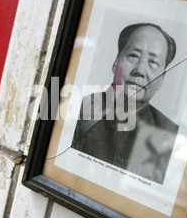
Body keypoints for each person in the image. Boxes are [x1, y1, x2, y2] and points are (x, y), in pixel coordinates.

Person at [71, 23, 179, 184]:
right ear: (115, 62)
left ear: (162, 79)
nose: (140, 70)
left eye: (153, 62)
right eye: (133, 56)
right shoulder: (76, 111)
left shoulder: (170, 136)